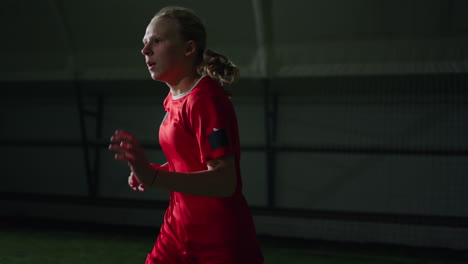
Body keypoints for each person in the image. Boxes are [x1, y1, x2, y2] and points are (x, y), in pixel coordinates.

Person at [108, 6, 264, 264]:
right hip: (177, 232)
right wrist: (149, 170)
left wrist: (155, 176)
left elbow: (225, 181)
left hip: (219, 242)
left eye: (157, 41)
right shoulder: (173, 99)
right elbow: (190, 161)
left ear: (189, 48)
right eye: (145, 43)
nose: (145, 50)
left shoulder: (205, 100)